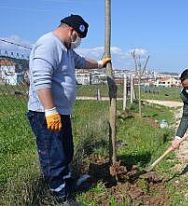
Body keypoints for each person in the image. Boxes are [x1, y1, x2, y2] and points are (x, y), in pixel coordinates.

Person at [26, 14, 111, 204]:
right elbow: (40, 80)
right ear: (72, 31)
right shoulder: (48, 44)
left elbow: (80, 62)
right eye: (78, 37)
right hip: (44, 113)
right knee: (53, 155)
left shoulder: (66, 48)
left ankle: (67, 183)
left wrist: (98, 64)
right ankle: (60, 196)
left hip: (60, 112)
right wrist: (49, 110)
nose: (78, 41)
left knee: (65, 151)